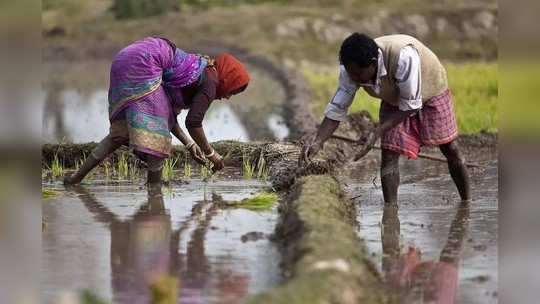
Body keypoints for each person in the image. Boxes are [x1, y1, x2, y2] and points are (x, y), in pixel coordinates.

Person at [300, 33, 471, 204]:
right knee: (389, 152)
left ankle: (466, 203)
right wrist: (318, 141)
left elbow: (411, 104)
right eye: (352, 74)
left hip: (430, 86)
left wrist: (376, 132)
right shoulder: (350, 70)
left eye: (359, 74)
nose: (355, 79)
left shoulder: (403, 57)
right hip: (394, 98)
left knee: (449, 147)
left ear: (373, 64)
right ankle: (390, 210)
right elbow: (338, 108)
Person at [64, 37, 250, 186]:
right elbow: (193, 123)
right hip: (146, 61)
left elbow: (165, 114)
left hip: (125, 58)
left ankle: (74, 179)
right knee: (157, 141)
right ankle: (154, 191)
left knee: (119, 134)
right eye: (232, 91)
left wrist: (190, 145)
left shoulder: (199, 69)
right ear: (228, 79)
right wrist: (211, 154)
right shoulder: (210, 83)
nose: (227, 97)